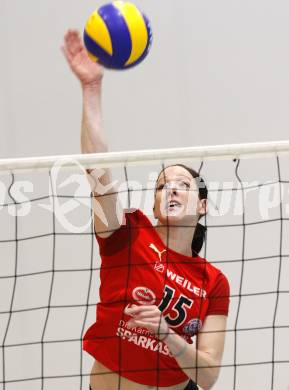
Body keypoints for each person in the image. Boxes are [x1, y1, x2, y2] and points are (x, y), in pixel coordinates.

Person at [62, 30, 230, 390]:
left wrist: (166, 334)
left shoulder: (213, 282)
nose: (170, 189)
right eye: (161, 185)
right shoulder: (127, 235)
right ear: (153, 204)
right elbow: (97, 168)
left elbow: (208, 376)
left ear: (202, 206)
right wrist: (91, 89)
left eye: (182, 185)